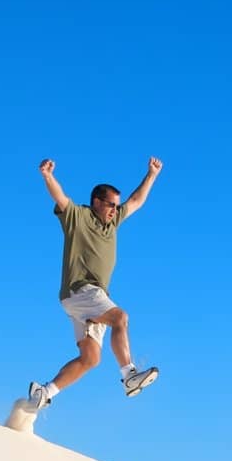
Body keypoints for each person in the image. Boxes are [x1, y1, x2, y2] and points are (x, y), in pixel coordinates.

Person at [27, 157, 164, 413]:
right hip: (81, 290)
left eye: (116, 205)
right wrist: (47, 176)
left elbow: (135, 201)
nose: (114, 209)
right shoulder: (78, 217)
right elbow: (61, 199)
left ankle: (44, 392)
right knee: (120, 318)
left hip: (84, 300)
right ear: (96, 202)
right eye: (110, 205)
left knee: (91, 359)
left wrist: (152, 175)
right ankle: (129, 376)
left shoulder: (113, 222)